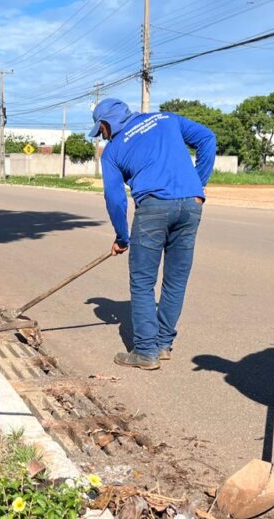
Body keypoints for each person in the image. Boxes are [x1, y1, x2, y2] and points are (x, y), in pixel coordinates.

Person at [90, 98, 217, 370]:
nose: (102, 136)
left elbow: (115, 199)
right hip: (191, 205)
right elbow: (207, 138)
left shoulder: (112, 152)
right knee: (176, 280)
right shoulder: (166, 119)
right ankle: (162, 344)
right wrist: (198, 184)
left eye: (101, 130)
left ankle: (146, 351)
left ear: (107, 123)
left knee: (142, 281)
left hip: (153, 208)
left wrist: (122, 237)